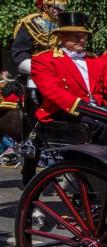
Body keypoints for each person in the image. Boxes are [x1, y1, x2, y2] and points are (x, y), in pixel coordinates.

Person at [10, 0, 64, 185]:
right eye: (56, 7)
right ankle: (31, 137)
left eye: (62, 8)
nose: (59, 11)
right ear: (45, 7)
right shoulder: (30, 23)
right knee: (34, 98)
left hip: (60, 74)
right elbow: (19, 54)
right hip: (34, 73)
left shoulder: (64, 25)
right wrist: (42, 69)